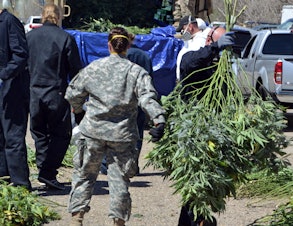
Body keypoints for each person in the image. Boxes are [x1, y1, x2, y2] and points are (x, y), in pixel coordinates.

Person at [66, 27, 165, 226]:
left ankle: (77, 220)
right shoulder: (136, 71)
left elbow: (72, 94)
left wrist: (79, 111)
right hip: (122, 135)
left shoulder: (93, 68)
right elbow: (148, 98)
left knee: (84, 176)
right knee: (119, 181)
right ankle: (118, 222)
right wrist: (159, 119)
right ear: (128, 46)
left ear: (108, 45)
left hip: (92, 132)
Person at [178, 26, 234, 226]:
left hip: (214, 132)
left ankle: (194, 221)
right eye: (218, 44)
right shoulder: (191, 57)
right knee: (195, 183)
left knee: (208, 184)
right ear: (209, 40)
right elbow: (189, 64)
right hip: (193, 131)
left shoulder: (223, 69)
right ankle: (198, 221)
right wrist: (215, 49)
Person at [26, 3, 83, 190]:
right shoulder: (65, 37)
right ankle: (48, 172)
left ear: (42, 16)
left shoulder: (30, 37)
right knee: (61, 134)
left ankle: (44, 168)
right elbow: (76, 70)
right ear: (58, 17)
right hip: (56, 92)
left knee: (39, 132)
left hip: (34, 91)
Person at [100, 34, 154, 175]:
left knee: (113, 131)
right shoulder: (144, 56)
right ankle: (132, 165)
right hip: (137, 101)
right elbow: (149, 80)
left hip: (118, 101)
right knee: (136, 134)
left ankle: (107, 164)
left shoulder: (116, 58)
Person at [0, 8, 32, 191]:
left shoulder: (9, 22)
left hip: (11, 90)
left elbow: (20, 54)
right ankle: (3, 177)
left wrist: (3, 75)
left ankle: (20, 184)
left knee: (13, 137)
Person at [175, 15, 209, 81]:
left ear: (190, 27)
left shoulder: (200, 41)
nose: (182, 32)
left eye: (183, 29)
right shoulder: (192, 40)